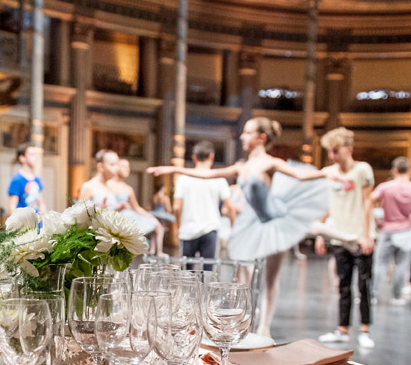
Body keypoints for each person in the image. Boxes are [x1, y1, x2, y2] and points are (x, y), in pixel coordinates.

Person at [148, 117, 336, 336]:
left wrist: (328, 173)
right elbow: (207, 173)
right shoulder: (242, 166)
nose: (242, 137)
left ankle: (265, 326)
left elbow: (301, 175)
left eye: (247, 133)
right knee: (248, 272)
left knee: (273, 274)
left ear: (261, 138)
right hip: (258, 224)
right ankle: (248, 320)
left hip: (275, 219)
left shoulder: (271, 163)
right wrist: (171, 169)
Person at [315, 127, 376, 350]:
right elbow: (326, 205)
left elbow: (368, 202)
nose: (332, 156)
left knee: (364, 285)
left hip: (360, 237)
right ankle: (342, 329)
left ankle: (365, 329)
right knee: (343, 285)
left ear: (348, 149)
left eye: (336, 150)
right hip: (339, 236)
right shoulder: (328, 173)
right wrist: (321, 233)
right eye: (330, 152)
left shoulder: (362, 170)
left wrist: (367, 235)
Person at [366, 157, 411, 305]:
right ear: (409, 171)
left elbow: (369, 200)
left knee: (380, 264)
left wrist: (376, 220)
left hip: (387, 229)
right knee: (402, 264)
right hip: (407, 230)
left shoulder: (385, 187)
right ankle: (396, 296)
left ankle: (374, 296)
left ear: (394, 171)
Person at [173, 141, 233, 260]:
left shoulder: (183, 179)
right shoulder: (219, 179)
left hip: (188, 230)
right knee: (208, 271)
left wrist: (180, 227)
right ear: (212, 156)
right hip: (210, 230)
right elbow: (229, 206)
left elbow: (176, 207)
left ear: (194, 158)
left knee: (186, 273)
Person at [106, 158, 163, 243]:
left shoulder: (128, 189)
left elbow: (137, 208)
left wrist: (152, 218)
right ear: (116, 167)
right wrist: (117, 207)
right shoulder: (107, 184)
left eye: (128, 167)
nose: (127, 169)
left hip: (128, 217)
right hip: (112, 219)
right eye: (123, 166)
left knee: (152, 225)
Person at [7, 143, 46, 215]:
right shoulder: (17, 180)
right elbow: (12, 207)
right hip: (24, 224)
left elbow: (41, 204)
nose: (35, 157)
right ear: (22, 158)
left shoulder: (36, 179)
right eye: (31, 154)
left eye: (35, 154)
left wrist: (45, 221)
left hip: (37, 224)